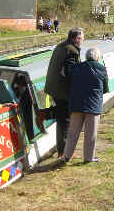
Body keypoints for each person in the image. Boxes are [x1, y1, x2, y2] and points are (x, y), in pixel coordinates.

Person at [44, 27, 84, 159]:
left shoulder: (61, 46)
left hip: (54, 88)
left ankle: (44, 114)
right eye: (81, 38)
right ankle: (63, 153)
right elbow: (70, 73)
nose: (82, 40)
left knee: (61, 116)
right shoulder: (71, 51)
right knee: (65, 121)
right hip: (63, 91)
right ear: (75, 38)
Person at [63, 47, 109, 163]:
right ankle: (88, 158)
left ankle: (67, 156)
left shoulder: (76, 67)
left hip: (77, 104)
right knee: (90, 134)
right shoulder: (102, 69)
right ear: (98, 57)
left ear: (86, 57)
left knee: (73, 133)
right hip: (93, 106)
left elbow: (69, 79)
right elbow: (105, 88)